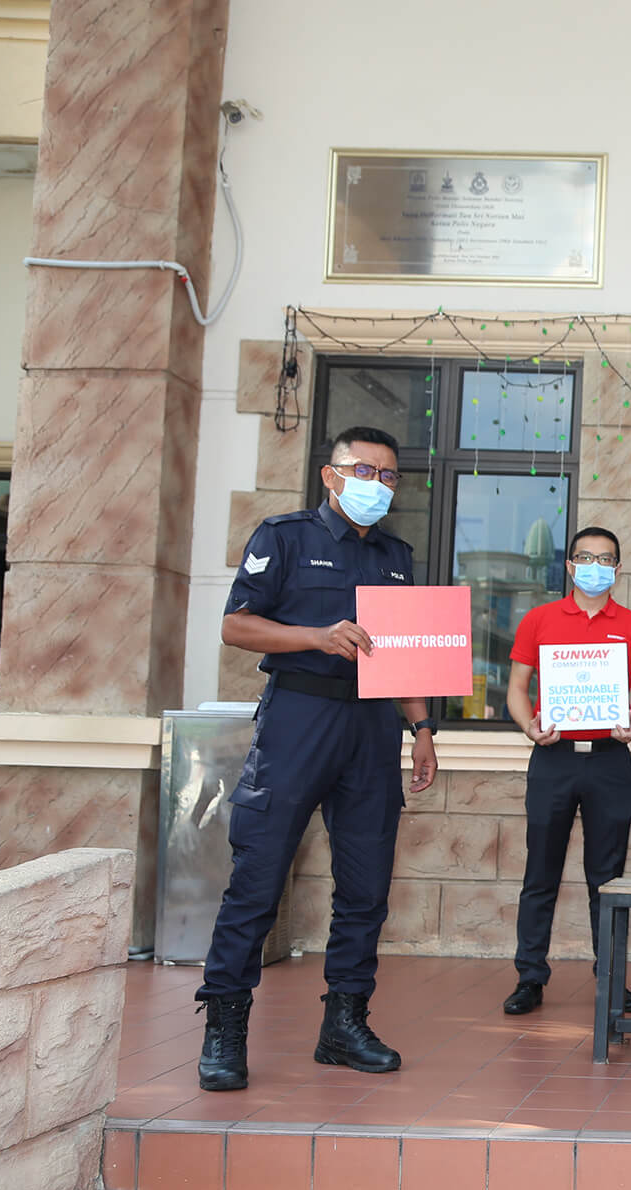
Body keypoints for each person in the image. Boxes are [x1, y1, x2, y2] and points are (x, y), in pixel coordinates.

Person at [196, 426, 438, 1092]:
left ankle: (345, 1023)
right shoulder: (285, 536)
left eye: (389, 476)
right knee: (259, 876)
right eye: (365, 471)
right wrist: (315, 637)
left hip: (370, 727)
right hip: (298, 717)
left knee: (366, 887)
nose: (378, 485)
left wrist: (422, 729)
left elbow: (403, 655)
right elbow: (236, 624)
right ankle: (224, 1025)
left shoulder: (396, 555)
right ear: (331, 476)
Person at [501, 526, 631, 1018]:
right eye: (586, 557)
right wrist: (530, 725)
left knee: (607, 878)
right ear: (570, 566)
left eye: (605, 559)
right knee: (540, 872)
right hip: (553, 758)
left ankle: (610, 978)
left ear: (617, 569)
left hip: (610, 761)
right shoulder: (539, 620)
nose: (595, 566)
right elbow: (516, 687)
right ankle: (530, 977)